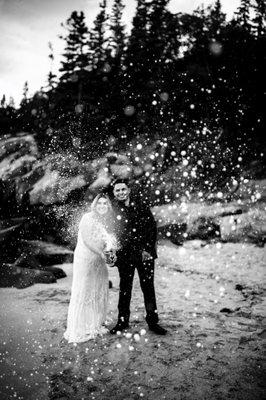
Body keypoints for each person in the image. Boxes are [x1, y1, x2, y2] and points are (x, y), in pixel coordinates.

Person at [109, 178, 167, 335]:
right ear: (114, 194)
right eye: (117, 190)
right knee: (125, 289)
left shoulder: (141, 206)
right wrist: (112, 251)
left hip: (144, 255)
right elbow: (112, 234)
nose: (121, 192)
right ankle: (122, 322)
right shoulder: (113, 211)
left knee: (148, 288)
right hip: (125, 256)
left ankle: (153, 322)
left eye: (123, 189)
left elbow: (151, 229)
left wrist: (147, 249)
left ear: (128, 190)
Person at [64, 194, 117, 343]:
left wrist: (111, 252)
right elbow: (87, 240)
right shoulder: (87, 217)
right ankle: (81, 327)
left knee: (98, 288)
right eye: (99, 203)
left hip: (99, 260)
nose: (102, 206)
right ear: (94, 205)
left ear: (108, 206)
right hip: (86, 259)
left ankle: (94, 324)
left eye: (105, 203)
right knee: (85, 290)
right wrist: (101, 253)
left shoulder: (107, 220)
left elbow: (109, 241)